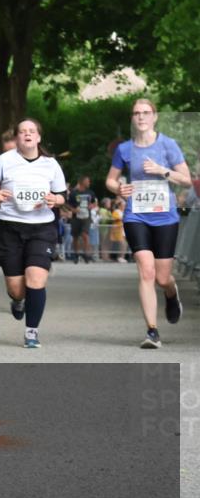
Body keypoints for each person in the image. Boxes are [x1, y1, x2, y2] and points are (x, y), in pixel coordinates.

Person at [105, 98, 190, 349]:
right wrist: (119, 188)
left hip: (165, 216)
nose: (141, 117)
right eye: (136, 113)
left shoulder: (168, 145)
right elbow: (110, 180)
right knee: (146, 270)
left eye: (146, 113)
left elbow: (186, 180)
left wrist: (162, 171)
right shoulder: (124, 149)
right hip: (136, 215)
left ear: (154, 117)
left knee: (163, 277)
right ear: (132, 119)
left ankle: (171, 293)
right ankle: (152, 331)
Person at [0, 118, 67, 349]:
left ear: (38, 137)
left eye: (32, 131)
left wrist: (55, 199)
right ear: (17, 138)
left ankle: (31, 332)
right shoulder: (4, 161)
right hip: (10, 227)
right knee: (17, 288)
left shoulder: (51, 164)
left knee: (36, 279)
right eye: (22, 132)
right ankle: (17, 301)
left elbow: (61, 195)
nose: (27, 134)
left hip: (42, 228)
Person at [67, 175, 96, 263]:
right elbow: (67, 204)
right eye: (87, 181)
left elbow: (94, 202)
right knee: (75, 236)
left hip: (87, 217)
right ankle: (76, 255)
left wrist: (92, 205)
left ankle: (86, 254)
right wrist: (73, 210)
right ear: (82, 182)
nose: (89, 183)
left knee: (85, 235)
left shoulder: (90, 192)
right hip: (76, 217)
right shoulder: (73, 193)